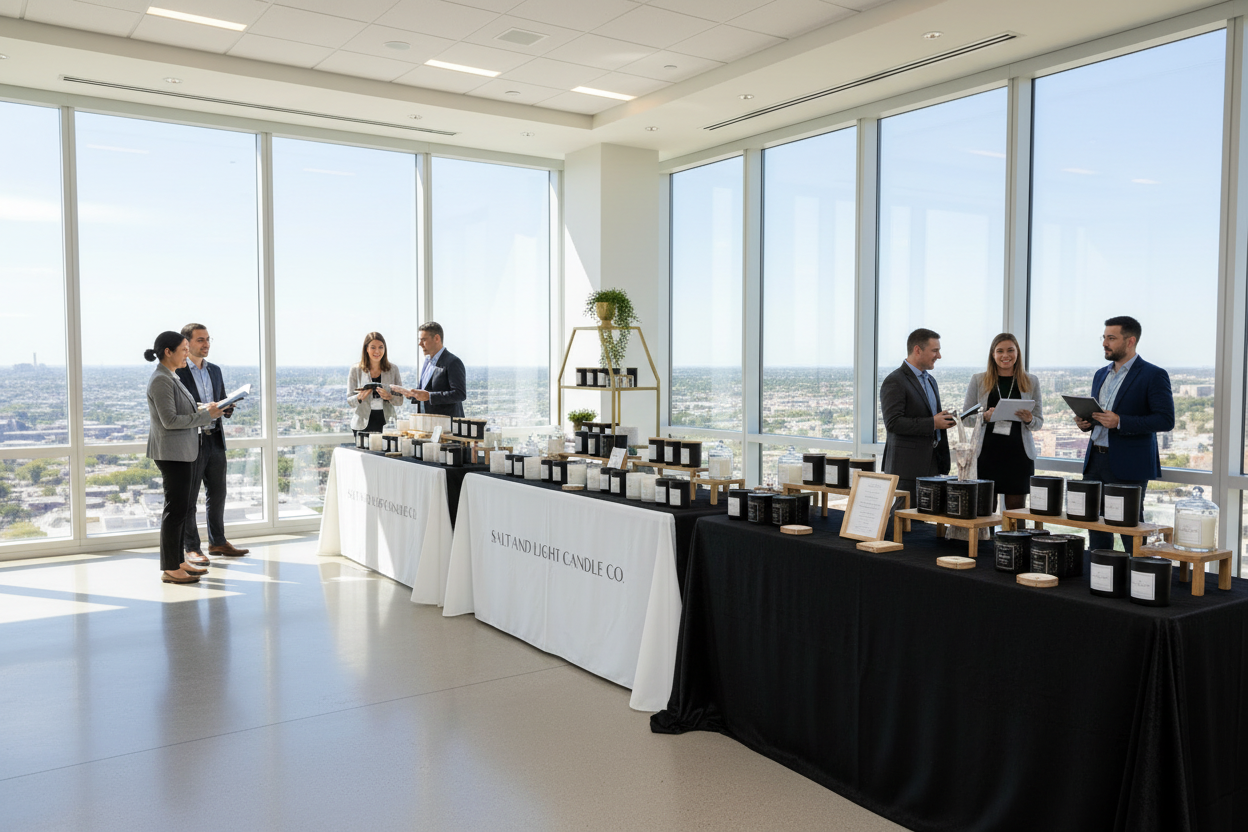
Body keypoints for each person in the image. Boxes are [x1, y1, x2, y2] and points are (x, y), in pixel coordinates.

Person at [1075, 316, 1175, 551]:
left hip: (1129, 464)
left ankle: (1139, 583)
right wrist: (1086, 422)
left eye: (1111, 338)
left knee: (1130, 531)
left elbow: (1165, 419)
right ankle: (1101, 582)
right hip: (1095, 461)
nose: (1104, 343)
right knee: (1096, 527)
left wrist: (1120, 421)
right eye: (1104, 337)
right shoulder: (1101, 374)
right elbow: (1100, 415)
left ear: (1130, 341)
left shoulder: (1153, 374)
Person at [144, 331, 223, 585]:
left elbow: (183, 410)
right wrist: (206, 416)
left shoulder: (172, 377)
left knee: (181, 509)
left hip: (183, 452)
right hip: (172, 454)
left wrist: (206, 409)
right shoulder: (161, 380)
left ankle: (178, 561)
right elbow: (169, 420)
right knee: (175, 511)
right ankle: (169, 567)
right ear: (168, 352)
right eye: (184, 349)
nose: (187, 354)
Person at [175, 323, 249, 563]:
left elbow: (220, 401)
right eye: (200, 340)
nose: (206, 344)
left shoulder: (215, 370)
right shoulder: (178, 372)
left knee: (217, 494)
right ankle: (192, 548)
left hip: (215, 439)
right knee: (190, 498)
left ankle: (218, 542)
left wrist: (227, 408)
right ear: (187, 344)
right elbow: (179, 408)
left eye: (208, 339)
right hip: (191, 441)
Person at [962, 333, 1044, 511]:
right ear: (993, 354)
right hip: (986, 455)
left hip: (1019, 456)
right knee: (984, 513)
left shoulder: (1031, 381)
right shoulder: (978, 380)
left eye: (1010, 350)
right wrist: (983, 417)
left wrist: (1029, 419)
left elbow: (1039, 423)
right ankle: (986, 541)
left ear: (1017, 353)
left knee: (1016, 515)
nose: (1005, 355)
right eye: (1000, 351)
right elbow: (965, 419)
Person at [881, 328, 955, 500]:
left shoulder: (930, 380)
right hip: (906, 469)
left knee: (923, 522)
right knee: (903, 522)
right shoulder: (895, 380)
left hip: (932, 465)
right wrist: (933, 423)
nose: (939, 356)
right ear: (917, 350)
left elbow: (930, 417)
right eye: (935, 350)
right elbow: (893, 423)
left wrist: (943, 420)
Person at [395, 322, 466, 417]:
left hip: (446, 426)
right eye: (419, 340)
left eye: (423, 340)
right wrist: (412, 394)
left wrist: (430, 396)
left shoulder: (453, 362)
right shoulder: (427, 362)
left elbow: (459, 394)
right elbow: (425, 391)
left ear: (437, 338)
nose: (419, 344)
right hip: (426, 423)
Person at [348, 331, 402, 435]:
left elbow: (400, 401)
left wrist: (389, 397)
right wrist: (359, 397)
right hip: (362, 424)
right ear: (366, 349)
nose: (377, 351)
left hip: (387, 423)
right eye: (373, 347)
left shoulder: (393, 369)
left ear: (385, 349)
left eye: (381, 347)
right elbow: (350, 401)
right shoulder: (355, 369)